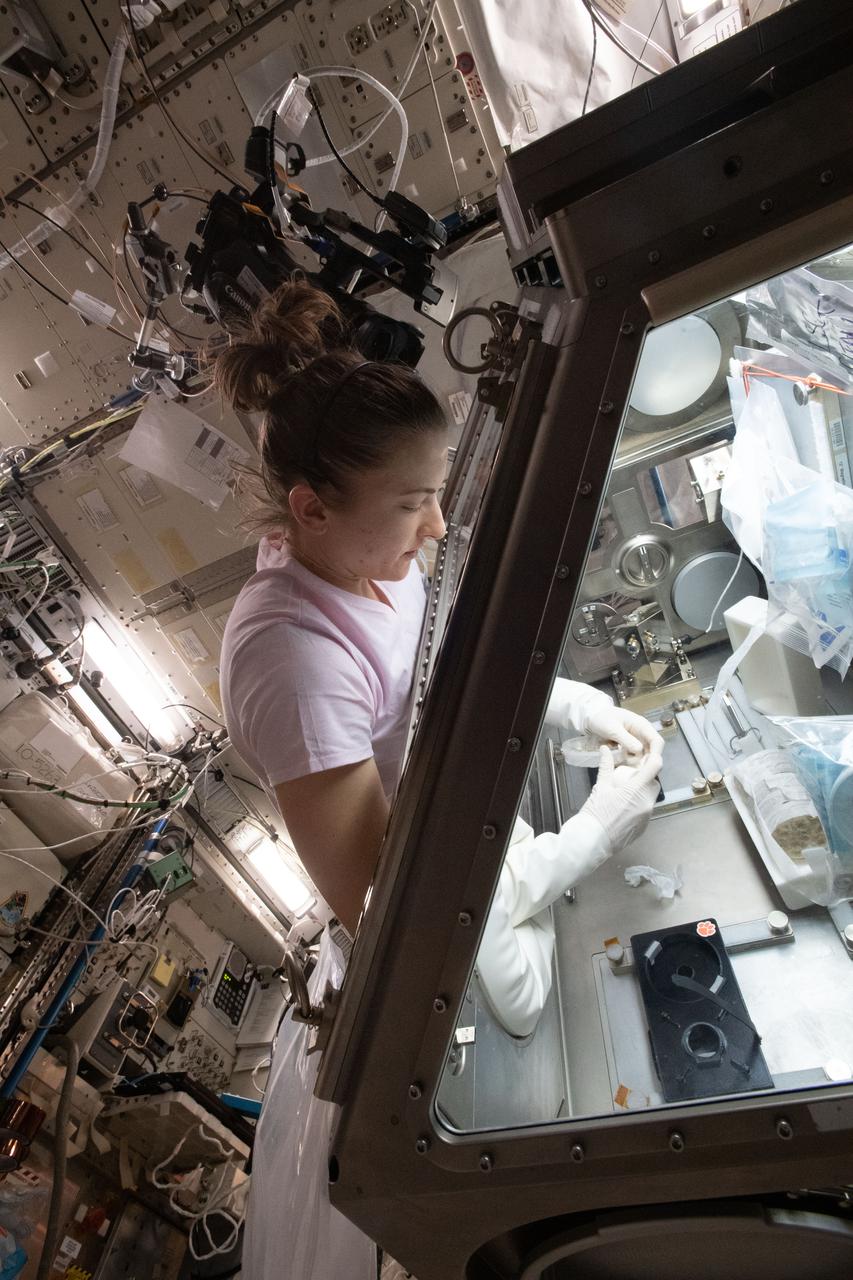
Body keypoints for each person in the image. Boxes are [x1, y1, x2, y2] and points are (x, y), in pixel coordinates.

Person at [215, 279, 663, 1278]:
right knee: (517, 997)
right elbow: (385, 901)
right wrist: (589, 832)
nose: (434, 529)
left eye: (436, 492)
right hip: (412, 886)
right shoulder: (288, 657)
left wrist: (568, 706)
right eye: (414, 503)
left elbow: (443, 666)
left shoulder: (368, 549)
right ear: (310, 510)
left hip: (440, 816)